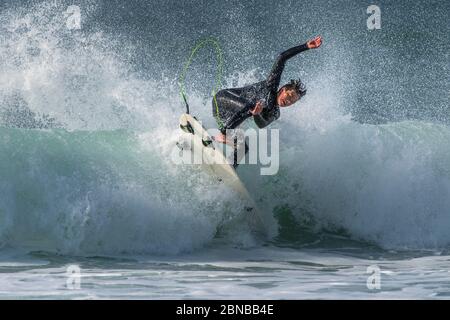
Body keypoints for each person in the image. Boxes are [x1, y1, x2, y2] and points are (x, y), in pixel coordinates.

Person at [212, 36, 322, 145]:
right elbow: (282, 58)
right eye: (289, 96)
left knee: (243, 148)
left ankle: (225, 158)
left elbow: (261, 124)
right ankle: (222, 135)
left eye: (292, 101)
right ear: (282, 90)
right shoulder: (271, 85)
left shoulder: (275, 112)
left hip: (227, 117)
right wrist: (305, 46)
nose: (288, 101)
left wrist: (257, 114)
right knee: (250, 106)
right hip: (221, 100)